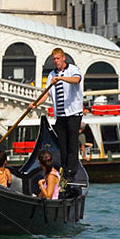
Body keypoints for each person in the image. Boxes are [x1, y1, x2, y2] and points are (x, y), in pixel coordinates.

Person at [31, 47, 83, 180]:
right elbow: (46, 93)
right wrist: (35, 104)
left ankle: (72, 171)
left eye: (58, 58)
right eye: (54, 59)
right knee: (62, 144)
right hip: (60, 115)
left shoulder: (73, 69)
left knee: (72, 143)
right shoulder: (51, 75)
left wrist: (61, 79)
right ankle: (65, 171)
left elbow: (76, 80)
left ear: (63, 58)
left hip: (74, 113)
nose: (56, 61)